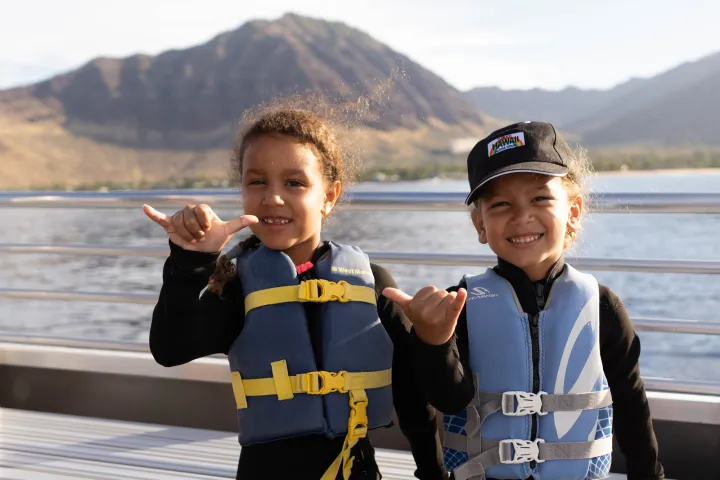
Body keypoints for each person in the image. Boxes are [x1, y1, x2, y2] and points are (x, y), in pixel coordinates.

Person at [143, 108, 447, 480]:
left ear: (329, 196)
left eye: (294, 183)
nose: (273, 198)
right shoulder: (237, 285)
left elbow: (414, 399)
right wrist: (191, 262)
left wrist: (435, 474)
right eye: (257, 182)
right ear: (241, 190)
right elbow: (169, 350)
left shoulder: (371, 283)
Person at [383, 121, 665, 480]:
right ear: (480, 225)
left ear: (573, 213)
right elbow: (446, 400)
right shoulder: (458, 306)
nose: (521, 216)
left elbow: (631, 403)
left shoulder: (603, 306)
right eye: (500, 204)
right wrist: (433, 341)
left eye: (540, 198)